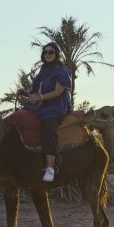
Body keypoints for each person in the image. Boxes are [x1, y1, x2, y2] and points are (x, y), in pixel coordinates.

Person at [24, 41, 73, 182]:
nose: (47, 54)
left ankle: (51, 167)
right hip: (41, 106)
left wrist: (39, 97)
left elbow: (58, 92)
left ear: (56, 54)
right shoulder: (43, 70)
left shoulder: (61, 71)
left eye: (51, 52)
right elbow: (36, 89)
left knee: (48, 126)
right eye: (45, 52)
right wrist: (27, 93)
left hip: (56, 107)